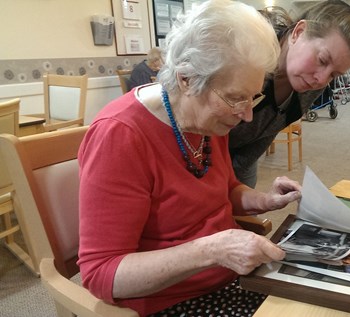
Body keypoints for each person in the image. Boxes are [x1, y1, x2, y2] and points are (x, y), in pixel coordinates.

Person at [77, 1, 301, 316]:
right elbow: (101, 273)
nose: (248, 115)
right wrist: (211, 250)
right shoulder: (120, 136)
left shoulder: (207, 121)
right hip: (169, 301)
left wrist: (264, 200)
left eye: (253, 97)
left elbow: (222, 192)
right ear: (186, 78)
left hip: (230, 281)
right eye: (236, 98)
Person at [229, 0, 350, 188]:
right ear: (298, 32)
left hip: (241, 158)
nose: (321, 80)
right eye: (322, 60)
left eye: (334, 75)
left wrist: (235, 188)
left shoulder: (312, 85)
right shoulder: (247, 58)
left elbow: (266, 132)